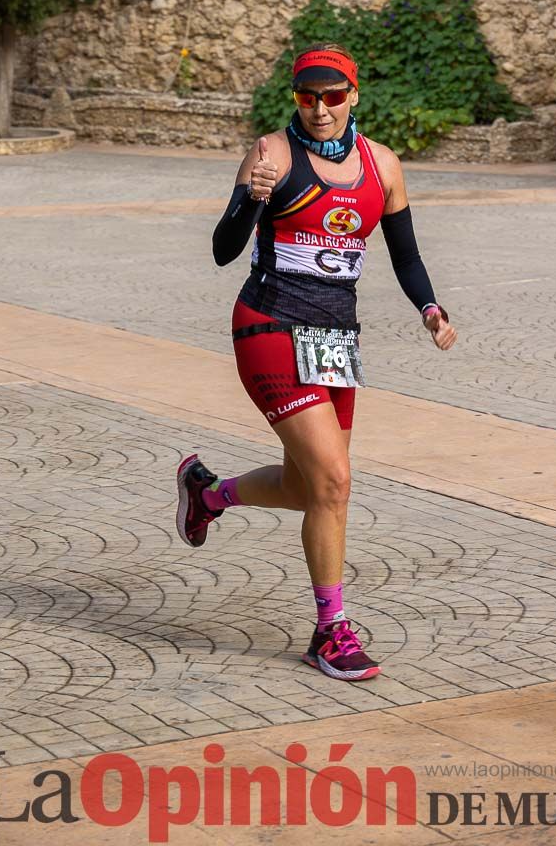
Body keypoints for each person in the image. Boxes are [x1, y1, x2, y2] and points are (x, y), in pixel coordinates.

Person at [175, 43, 457, 681]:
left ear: (353, 95)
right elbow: (224, 250)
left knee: (308, 488)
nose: (321, 108)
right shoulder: (271, 154)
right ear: (295, 98)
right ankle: (330, 631)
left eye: (333, 96)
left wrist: (430, 308)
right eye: (308, 97)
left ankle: (209, 494)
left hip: (335, 339)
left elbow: (405, 257)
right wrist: (251, 197)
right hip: (269, 324)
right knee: (334, 481)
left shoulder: (381, 166)